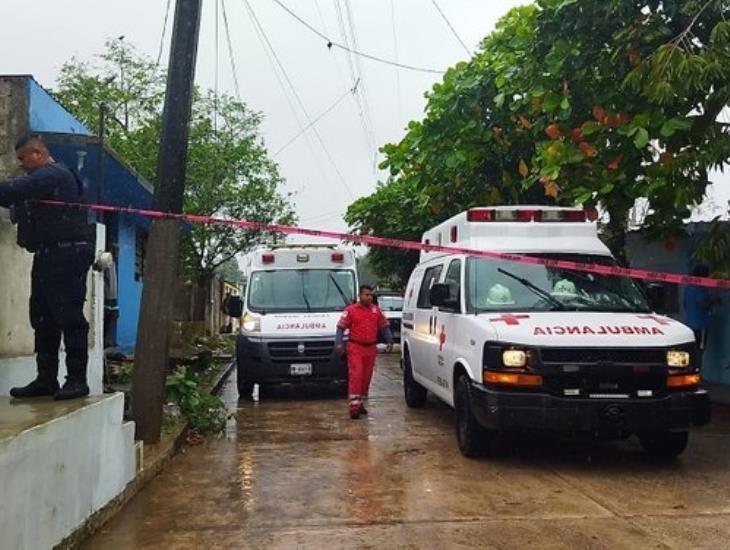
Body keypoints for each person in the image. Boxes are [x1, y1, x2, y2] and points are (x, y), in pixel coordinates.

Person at [0, 134, 93, 400]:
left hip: (68, 252)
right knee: (42, 317)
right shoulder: (37, 181)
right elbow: (11, 196)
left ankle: (77, 380)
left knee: (69, 315)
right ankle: (46, 379)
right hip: (47, 253)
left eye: (23, 159)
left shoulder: (55, 174)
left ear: (38, 154)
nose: (21, 165)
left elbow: (13, 191)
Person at [335, 285, 393, 419]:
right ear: (359, 296)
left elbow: (384, 326)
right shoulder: (351, 310)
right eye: (366, 295)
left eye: (371, 295)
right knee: (357, 374)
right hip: (355, 347)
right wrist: (338, 343)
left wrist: (390, 341)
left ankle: (360, 403)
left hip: (370, 349)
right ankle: (354, 407)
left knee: (366, 377)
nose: (369, 297)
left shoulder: (376, 310)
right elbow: (341, 328)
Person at [683, 263, 719, 352]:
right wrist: (714, 302)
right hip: (700, 325)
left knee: (693, 349)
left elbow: (684, 304)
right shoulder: (700, 288)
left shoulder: (689, 287)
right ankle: (700, 365)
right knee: (701, 349)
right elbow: (702, 305)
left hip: (690, 324)